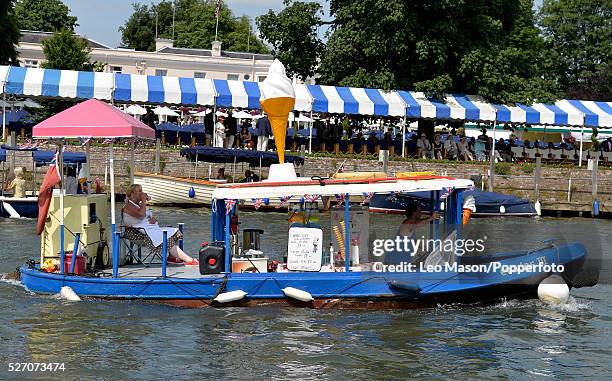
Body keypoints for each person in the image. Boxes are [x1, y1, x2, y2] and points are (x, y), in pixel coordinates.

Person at [122, 184, 198, 266]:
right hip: (136, 233)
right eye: (140, 191)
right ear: (133, 194)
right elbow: (141, 214)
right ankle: (189, 260)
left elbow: (145, 216)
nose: (142, 193)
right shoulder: (128, 206)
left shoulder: (139, 205)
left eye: (142, 190)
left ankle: (171, 257)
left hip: (146, 230)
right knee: (166, 240)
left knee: (175, 232)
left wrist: (153, 219)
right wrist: (144, 200)